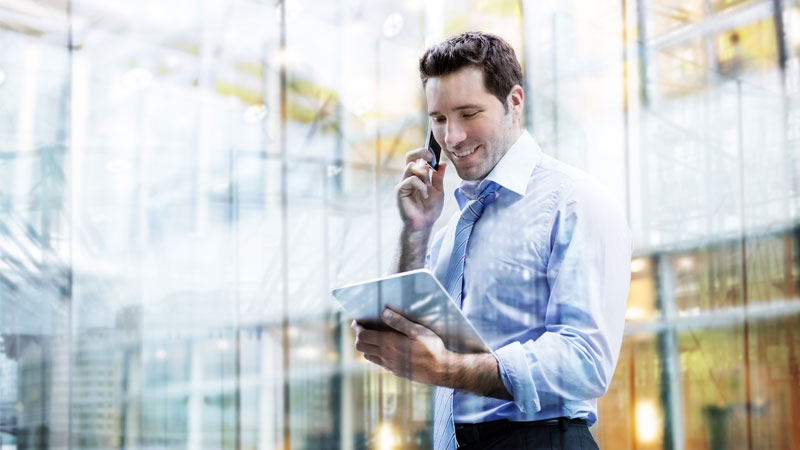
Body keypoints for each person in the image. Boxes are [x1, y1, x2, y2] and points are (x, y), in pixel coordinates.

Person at [351, 31, 632, 450]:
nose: (452, 138)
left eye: (468, 113)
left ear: (514, 102)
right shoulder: (451, 232)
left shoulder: (572, 201)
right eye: (439, 119)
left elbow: (585, 363)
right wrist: (415, 230)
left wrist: (446, 369)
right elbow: (410, 333)